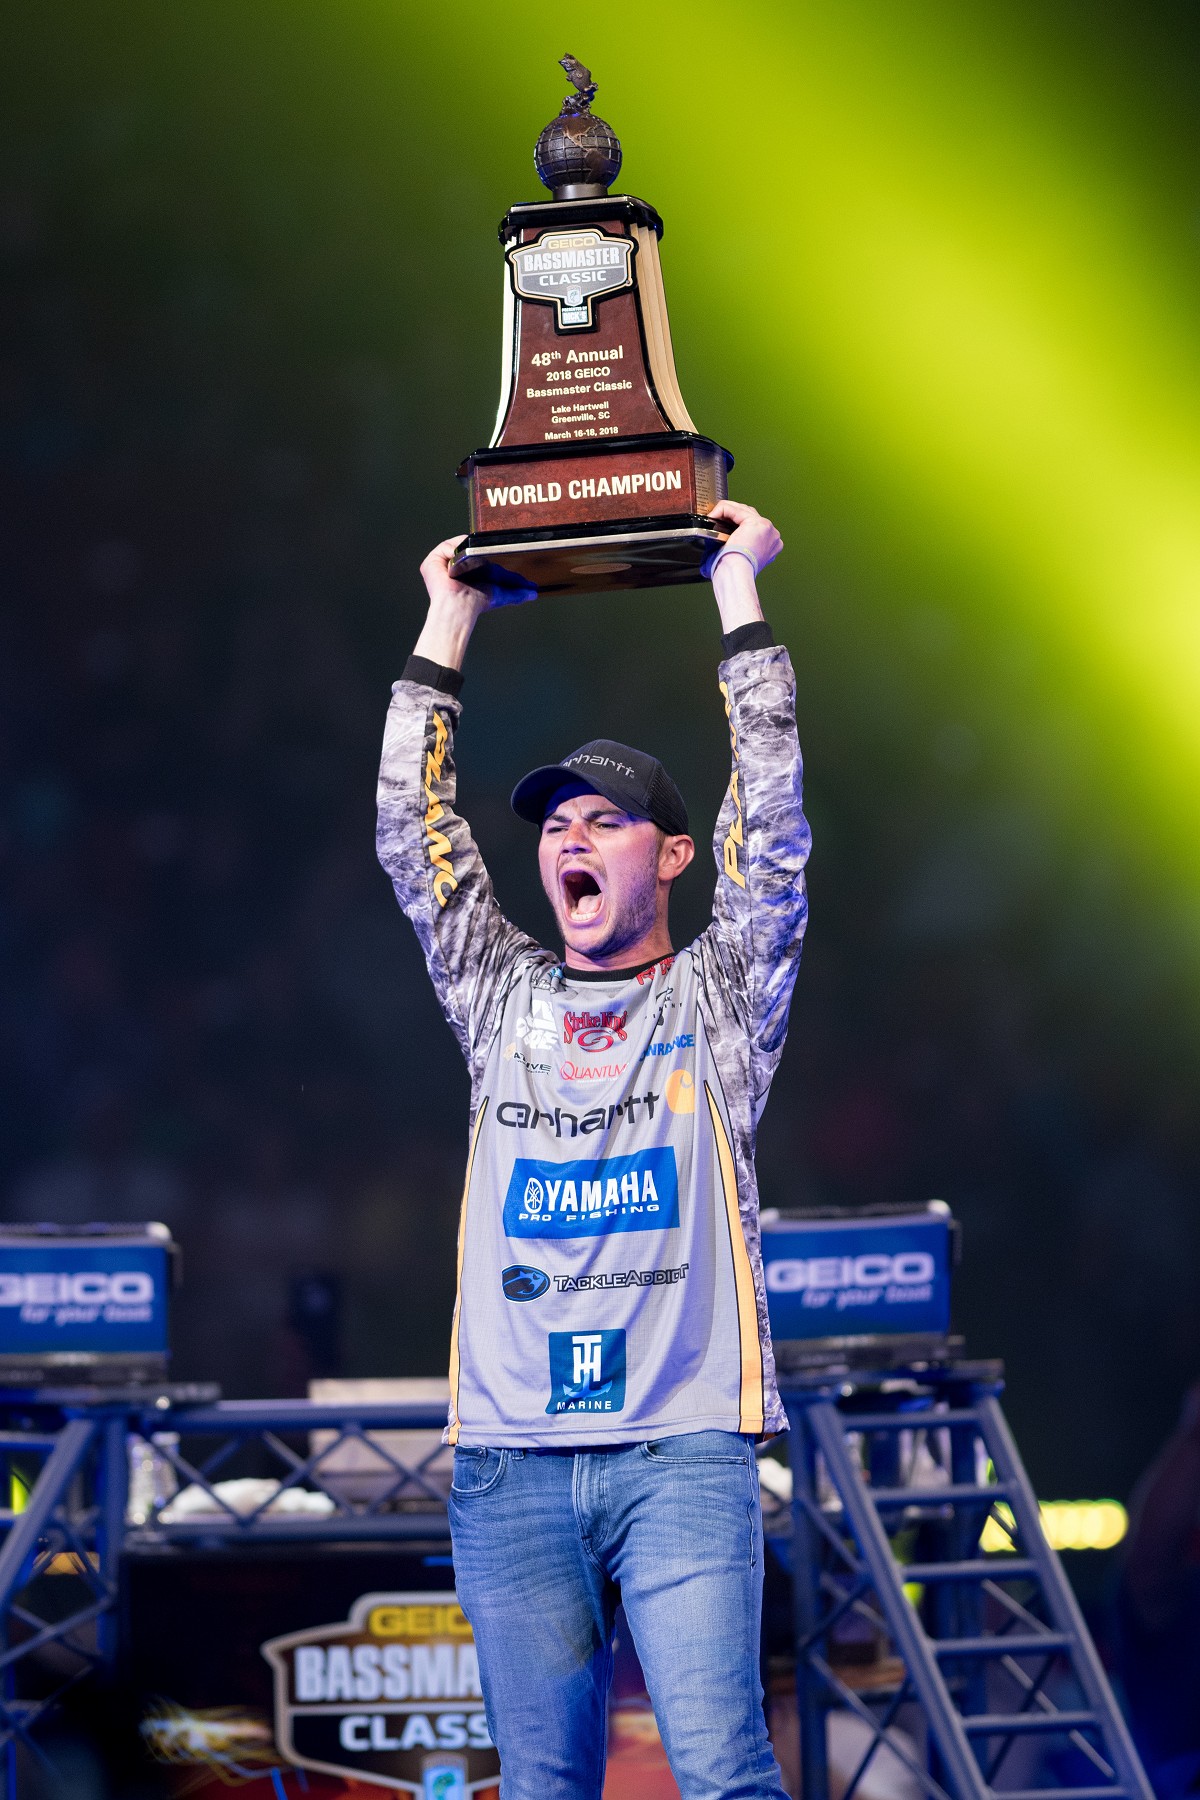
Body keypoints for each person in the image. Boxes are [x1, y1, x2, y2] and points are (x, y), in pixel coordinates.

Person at [377, 499, 809, 1799]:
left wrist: (737, 590)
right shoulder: (499, 996)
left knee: (724, 1774)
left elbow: (773, 829)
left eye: (604, 819)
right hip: (509, 1460)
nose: (568, 835)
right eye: (556, 820)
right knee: (543, 1790)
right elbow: (411, 834)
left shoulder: (719, 999)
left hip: (684, 1449)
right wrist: (447, 621)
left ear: (671, 855)